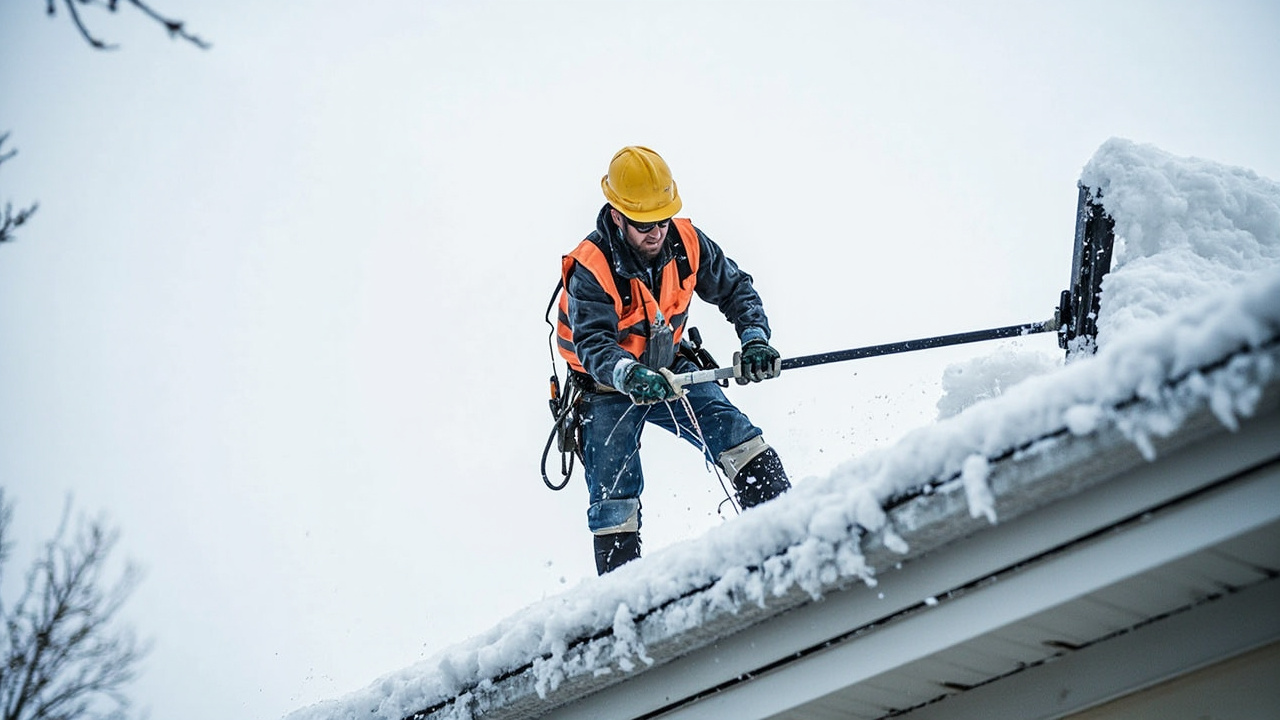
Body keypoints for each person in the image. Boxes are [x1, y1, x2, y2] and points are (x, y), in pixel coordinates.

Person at [556, 145, 792, 575]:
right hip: (606, 391)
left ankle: (787, 530)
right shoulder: (591, 267)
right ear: (616, 216)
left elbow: (735, 289)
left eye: (663, 219)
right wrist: (630, 375)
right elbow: (593, 345)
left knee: (737, 437)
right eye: (645, 224)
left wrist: (755, 338)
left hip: (669, 370)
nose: (657, 232)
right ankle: (622, 595)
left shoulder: (686, 242)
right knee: (614, 501)